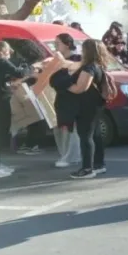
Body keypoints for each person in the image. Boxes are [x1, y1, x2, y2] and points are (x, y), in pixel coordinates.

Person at [64, 40, 112, 179]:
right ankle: (99, 164)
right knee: (95, 135)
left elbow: (80, 88)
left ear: (87, 51)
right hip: (96, 104)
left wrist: (63, 84)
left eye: (83, 49)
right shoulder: (99, 65)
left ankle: (87, 168)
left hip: (87, 105)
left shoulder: (89, 67)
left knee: (85, 136)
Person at [0, 42, 30, 178]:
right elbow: (20, 73)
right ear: (1, 51)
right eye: (8, 52)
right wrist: (28, 66)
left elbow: (3, 78)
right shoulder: (1, 62)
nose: (9, 56)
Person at [49, 33, 82, 168]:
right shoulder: (56, 61)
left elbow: (75, 78)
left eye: (58, 44)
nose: (56, 47)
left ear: (67, 44)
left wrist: (63, 82)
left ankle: (72, 156)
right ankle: (64, 154)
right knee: (60, 127)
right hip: (61, 98)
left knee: (71, 128)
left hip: (72, 98)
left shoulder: (77, 59)